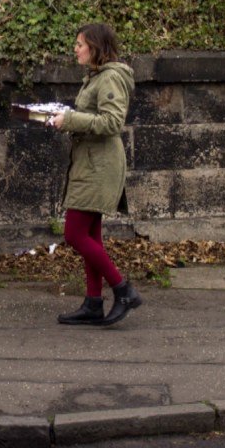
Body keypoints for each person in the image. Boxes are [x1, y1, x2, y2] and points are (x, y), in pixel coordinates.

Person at [49, 22, 142, 326]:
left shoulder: (110, 78)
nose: (75, 49)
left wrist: (71, 119)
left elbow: (113, 122)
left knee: (74, 234)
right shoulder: (96, 77)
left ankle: (123, 289)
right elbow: (91, 117)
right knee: (91, 236)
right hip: (90, 161)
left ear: (95, 47)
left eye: (79, 44)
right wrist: (63, 118)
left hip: (99, 166)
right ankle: (92, 303)